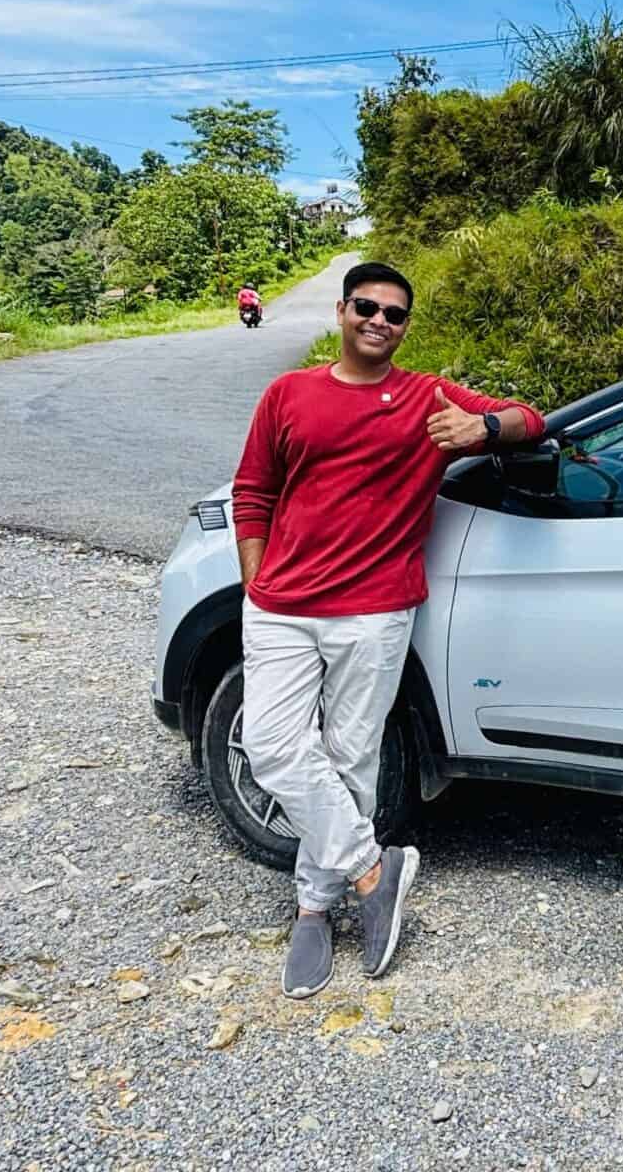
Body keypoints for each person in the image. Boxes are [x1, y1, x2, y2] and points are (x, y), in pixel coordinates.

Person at [228, 261, 542, 998]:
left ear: (405, 327)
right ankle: (374, 869)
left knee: (350, 757)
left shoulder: (428, 399)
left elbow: (532, 421)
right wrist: (254, 580)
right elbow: (253, 489)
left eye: (394, 314)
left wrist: (481, 425)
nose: (379, 321)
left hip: (373, 609)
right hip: (280, 606)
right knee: (273, 747)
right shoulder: (289, 393)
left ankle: (314, 906)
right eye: (366, 306)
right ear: (341, 312)